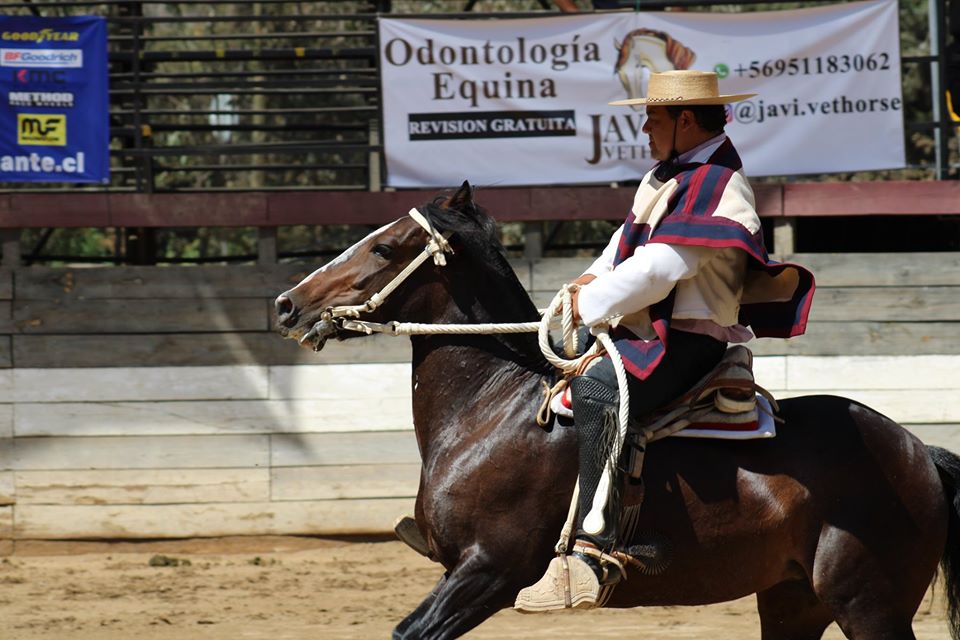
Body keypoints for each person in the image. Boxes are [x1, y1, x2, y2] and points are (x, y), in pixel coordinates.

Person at [514, 70, 815, 612]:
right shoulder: (669, 175)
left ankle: (595, 548)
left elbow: (661, 268)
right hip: (645, 331)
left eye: (652, 117)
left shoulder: (719, 183)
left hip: (684, 343)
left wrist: (590, 304)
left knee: (599, 391)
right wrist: (585, 282)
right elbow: (620, 247)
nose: (645, 127)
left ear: (684, 119)